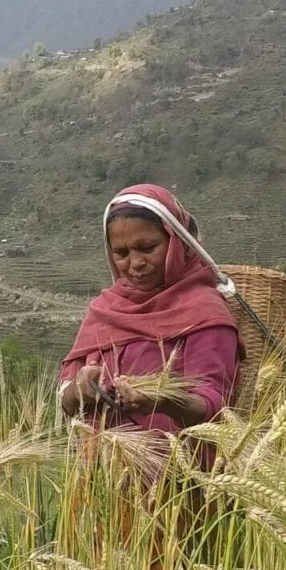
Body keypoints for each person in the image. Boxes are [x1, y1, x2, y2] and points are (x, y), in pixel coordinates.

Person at [58, 183, 241, 468]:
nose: (135, 263)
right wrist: (78, 391)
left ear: (176, 242)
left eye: (147, 248)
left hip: (176, 487)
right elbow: (66, 401)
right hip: (99, 481)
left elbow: (214, 405)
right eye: (121, 253)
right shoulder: (103, 310)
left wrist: (162, 399)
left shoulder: (204, 312)